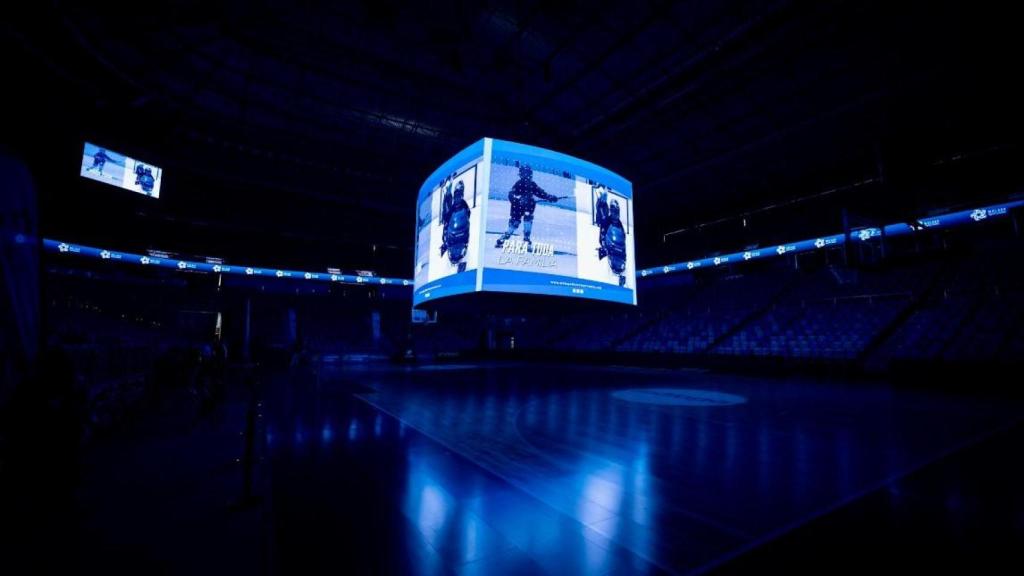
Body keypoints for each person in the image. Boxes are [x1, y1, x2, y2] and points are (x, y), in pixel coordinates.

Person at [495, 164, 563, 248]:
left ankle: (526, 239)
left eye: (528, 174)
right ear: (522, 174)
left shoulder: (532, 184)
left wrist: (550, 197)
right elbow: (511, 194)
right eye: (525, 173)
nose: (527, 176)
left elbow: (541, 193)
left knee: (528, 219)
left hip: (528, 206)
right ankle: (504, 238)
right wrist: (518, 199)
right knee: (514, 223)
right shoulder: (518, 184)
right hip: (517, 208)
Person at [442, 181, 472, 271]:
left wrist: (465, 219)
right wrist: (446, 221)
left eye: (460, 195)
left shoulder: (464, 204)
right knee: (446, 237)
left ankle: (462, 266)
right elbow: (446, 216)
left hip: (461, 229)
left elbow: (468, 213)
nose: (458, 197)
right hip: (453, 229)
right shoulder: (452, 207)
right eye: (457, 195)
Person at [439, 176, 454, 256]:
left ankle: (449, 182)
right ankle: (449, 182)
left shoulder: (445, 238)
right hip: (448, 218)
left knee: (447, 201)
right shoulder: (446, 238)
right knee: (448, 200)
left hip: (447, 218)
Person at [595, 186, 610, 258]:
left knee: (603, 236)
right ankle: (604, 249)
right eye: (604, 197)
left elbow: (605, 213)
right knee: (602, 237)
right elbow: (601, 213)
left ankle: (604, 249)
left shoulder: (604, 204)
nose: (605, 199)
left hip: (604, 223)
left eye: (606, 197)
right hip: (603, 222)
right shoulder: (600, 204)